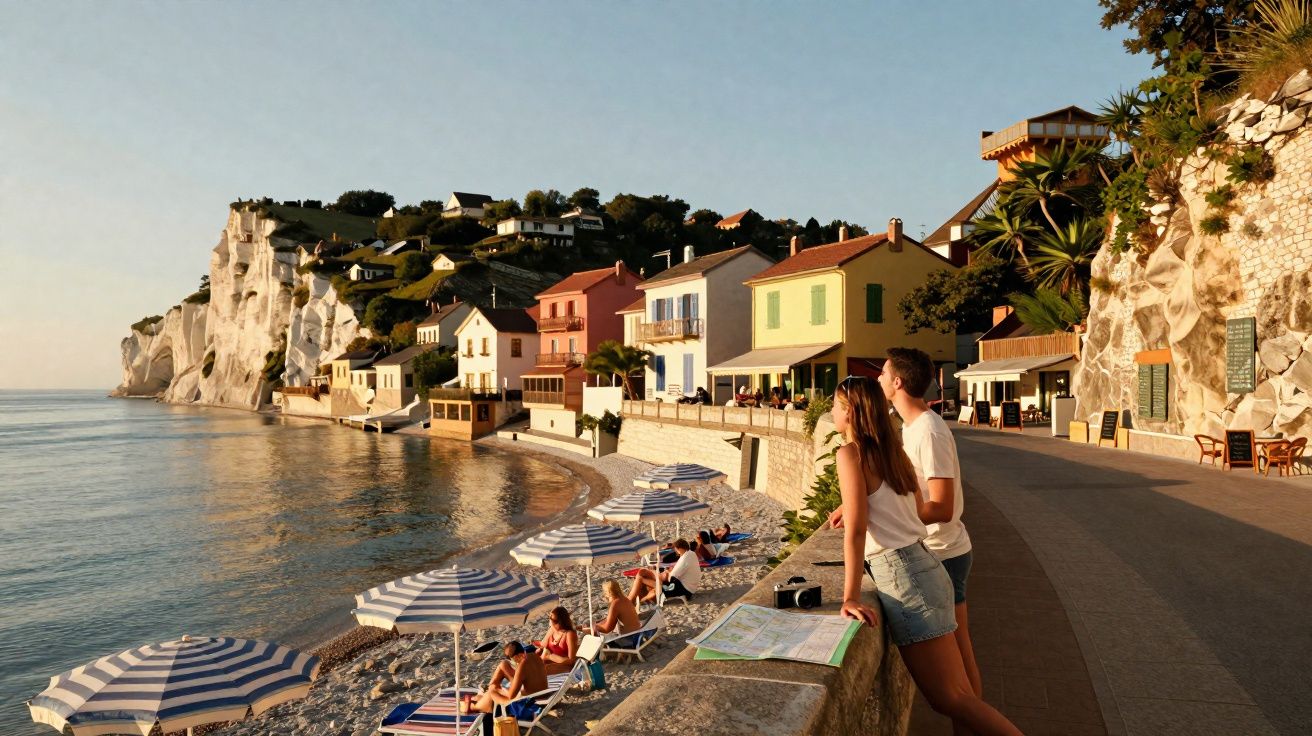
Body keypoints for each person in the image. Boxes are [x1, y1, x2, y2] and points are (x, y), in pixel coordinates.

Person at [830, 376, 1019, 735]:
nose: (831, 412)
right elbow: (913, 508)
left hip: (904, 576)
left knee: (950, 699)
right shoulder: (894, 452)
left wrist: (850, 596)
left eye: (835, 405)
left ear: (850, 411)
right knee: (962, 694)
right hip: (928, 566)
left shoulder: (849, 454)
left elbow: (856, 531)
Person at [829, 348, 982, 699]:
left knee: (957, 693)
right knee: (958, 693)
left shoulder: (926, 431)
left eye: (882, 373)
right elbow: (900, 492)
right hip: (926, 556)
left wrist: (870, 513)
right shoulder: (902, 436)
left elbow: (941, 507)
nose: (879, 379)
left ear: (897, 381)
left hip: (937, 553)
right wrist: (863, 502)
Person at [470, 641, 548, 717]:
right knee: (503, 664)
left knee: (492, 691)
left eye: (513, 659)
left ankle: (475, 707)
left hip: (528, 701)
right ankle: (484, 696)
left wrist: (497, 689)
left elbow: (511, 696)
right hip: (541, 693)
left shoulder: (522, 667)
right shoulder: (534, 656)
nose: (513, 662)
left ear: (519, 655)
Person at [627, 538, 700, 604]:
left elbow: (671, 578)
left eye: (676, 549)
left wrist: (660, 574)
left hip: (683, 589)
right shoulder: (690, 554)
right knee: (645, 576)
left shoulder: (685, 558)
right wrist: (668, 571)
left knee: (642, 578)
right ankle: (635, 601)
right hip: (687, 587)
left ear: (680, 548)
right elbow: (680, 571)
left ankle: (631, 601)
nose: (676, 552)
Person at [531, 606, 579, 676]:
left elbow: (571, 661)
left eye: (551, 619)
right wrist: (535, 644)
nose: (550, 621)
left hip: (566, 667)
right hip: (550, 664)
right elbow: (543, 645)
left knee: (541, 670)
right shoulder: (552, 630)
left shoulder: (569, 634)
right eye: (550, 618)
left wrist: (550, 656)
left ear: (560, 621)